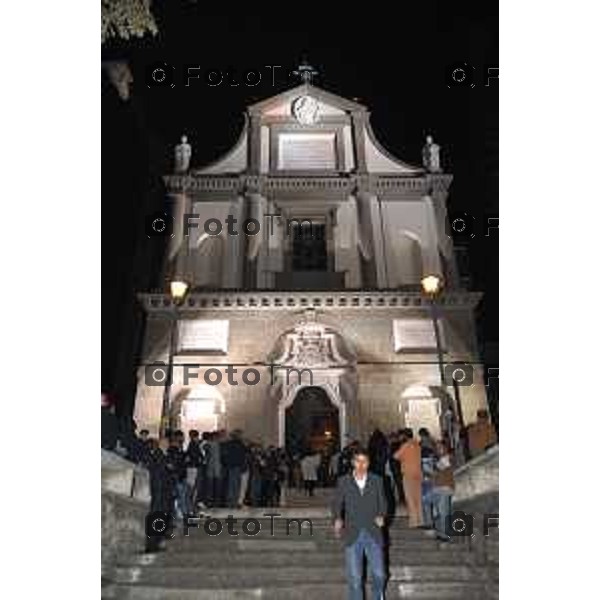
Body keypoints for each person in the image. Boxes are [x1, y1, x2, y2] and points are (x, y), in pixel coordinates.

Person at [333, 447, 387, 600]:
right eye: (358, 461)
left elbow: (383, 503)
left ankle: (378, 596)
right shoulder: (343, 481)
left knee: (379, 574)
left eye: (365, 461)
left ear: (369, 463)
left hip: (373, 532)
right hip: (353, 533)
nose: (362, 465)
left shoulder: (377, 480)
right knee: (355, 579)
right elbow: (337, 503)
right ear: (352, 463)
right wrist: (337, 518)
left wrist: (382, 515)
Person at [394, 428, 423, 528]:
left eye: (401, 435)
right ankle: (420, 520)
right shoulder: (417, 445)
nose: (399, 437)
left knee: (410, 498)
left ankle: (414, 521)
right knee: (418, 498)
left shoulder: (405, 446)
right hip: (418, 473)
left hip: (408, 473)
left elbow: (396, 456)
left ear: (405, 436)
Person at [431, 441, 455, 542]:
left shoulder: (447, 457)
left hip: (444, 488)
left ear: (445, 447)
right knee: (439, 512)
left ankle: (446, 534)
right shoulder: (441, 458)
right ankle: (441, 532)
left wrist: (432, 467)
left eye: (440, 447)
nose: (438, 449)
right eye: (437, 447)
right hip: (438, 488)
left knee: (444, 512)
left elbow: (437, 469)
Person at [222, 430, 248, 508]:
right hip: (237, 466)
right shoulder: (240, 444)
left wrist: (226, 464)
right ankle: (234, 502)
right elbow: (243, 456)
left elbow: (225, 455)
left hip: (230, 466)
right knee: (236, 485)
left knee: (231, 484)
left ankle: (230, 502)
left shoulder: (228, 444)